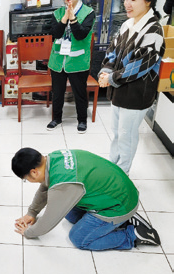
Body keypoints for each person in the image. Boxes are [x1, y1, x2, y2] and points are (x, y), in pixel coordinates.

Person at [12, 147, 161, 251]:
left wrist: (29, 233)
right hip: (121, 193)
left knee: (79, 238)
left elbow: (49, 220)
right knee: (70, 214)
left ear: (33, 172)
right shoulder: (54, 158)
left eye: (26, 179)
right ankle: (119, 220)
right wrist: (32, 212)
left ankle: (132, 235)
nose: (29, 181)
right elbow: (45, 187)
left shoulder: (64, 184)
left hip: (118, 205)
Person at [98, 0, 164, 174]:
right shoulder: (127, 24)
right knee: (117, 133)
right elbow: (111, 51)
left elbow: (138, 67)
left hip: (136, 94)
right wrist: (105, 71)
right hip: (119, 91)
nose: (127, 3)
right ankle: (113, 166)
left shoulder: (154, 31)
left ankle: (122, 174)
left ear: (148, 1)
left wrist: (110, 78)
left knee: (127, 135)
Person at [46, 0, 95, 134]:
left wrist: (72, 18)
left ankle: (82, 120)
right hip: (58, 60)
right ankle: (56, 118)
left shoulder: (88, 12)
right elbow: (55, 34)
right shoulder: (57, 13)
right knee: (57, 92)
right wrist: (64, 19)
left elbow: (80, 35)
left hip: (78, 61)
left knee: (79, 93)